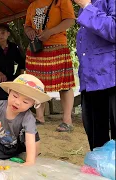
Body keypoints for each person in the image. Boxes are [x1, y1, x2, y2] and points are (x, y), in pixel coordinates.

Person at [24, 0, 75, 131]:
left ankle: (67, 121)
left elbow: (70, 20)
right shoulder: (32, 5)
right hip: (37, 48)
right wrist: (29, 31)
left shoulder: (62, 1)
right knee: (36, 85)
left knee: (65, 84)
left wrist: (50, 32)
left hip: (57, 46)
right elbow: (27, 25)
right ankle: (39, 118)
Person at [0, 74, 51, 165]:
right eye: (15, 96)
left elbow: (30, 140)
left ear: (33, 104)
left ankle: (27, 153)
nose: (17, 102)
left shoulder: (28, 117)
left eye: (25, 102)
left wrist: (30, 161)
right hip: (5, 142)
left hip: (23, 142)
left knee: (32, 152)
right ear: (9, 92)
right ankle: (15, 154)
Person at [74, 0, 116, 150]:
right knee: (96, 143)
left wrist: (86, 6)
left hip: (111, 77)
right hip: (90, 80)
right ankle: (99, 171)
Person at [0, 24, 25, 100]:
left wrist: (21, 77)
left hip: (11, 77)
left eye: (3, 33)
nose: (0, 35)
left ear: (8, 34)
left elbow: (21, 62)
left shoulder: (13, 47)